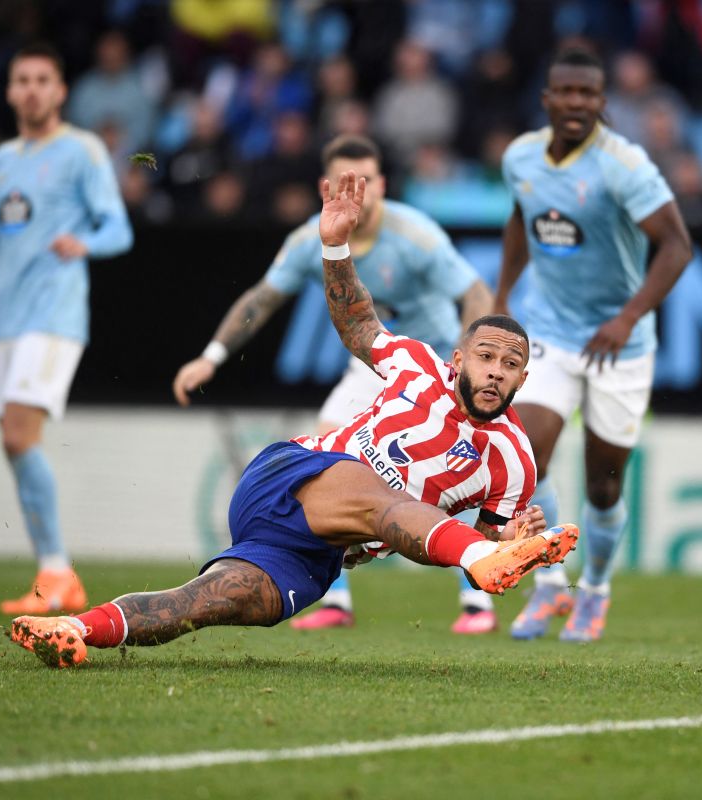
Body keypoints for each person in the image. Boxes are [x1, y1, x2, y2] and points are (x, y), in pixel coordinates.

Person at [8, 171, 578, 668]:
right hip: (295, 473)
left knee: (205, 603)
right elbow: (358, 323)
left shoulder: (514, 460)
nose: (497, 371)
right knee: (385, 498)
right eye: (486, 357)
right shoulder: (417, 365)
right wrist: (334, 248)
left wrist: (504, 538)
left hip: (317, 549)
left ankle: (74, 630)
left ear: (524, 380)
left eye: (511, 364)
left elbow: (475, 533)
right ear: (458, 359)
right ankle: (480, 562)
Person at [172, 134, 498, 633]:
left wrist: (465, 372)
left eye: (368, 180)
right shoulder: (311, 238)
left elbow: (476, 293)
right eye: (348, 180)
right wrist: (211, 356)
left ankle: (478, 603)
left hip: (431, 366)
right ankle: (335, 599)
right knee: (327, 453)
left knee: (459, 477)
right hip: (371, 367)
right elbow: (263, 298)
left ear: (383, 183)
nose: (360, 192)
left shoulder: (416, 236)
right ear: (328, 186)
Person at [494, 47, 692, 642]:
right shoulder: (520, 156)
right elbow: (520, 219)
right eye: (567, 93)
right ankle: (551, 587)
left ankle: (595, 590)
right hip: (551, 331)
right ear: (548, 99)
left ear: (603, 103)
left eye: (589, 94)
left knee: (603, 484)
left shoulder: (623, 165)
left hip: (618, 345)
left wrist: (628, 318)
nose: (577, 103)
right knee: (524, 457)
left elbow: (677, 245)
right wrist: (503, 294)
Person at [0, 43, 133, 615]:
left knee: (19, 434)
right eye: (21, 79)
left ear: (60, 90)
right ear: (9, 92)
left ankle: (56, 572)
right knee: (14, 441)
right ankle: (52, 571)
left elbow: (119, 229)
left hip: (53, 315)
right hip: (6, 318)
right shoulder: (5, 159)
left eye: (42, 79)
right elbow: (0, 246)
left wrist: (85, 242)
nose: (31, 89)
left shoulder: (82, 150)